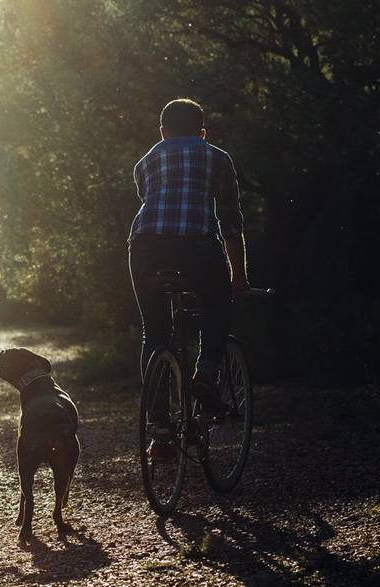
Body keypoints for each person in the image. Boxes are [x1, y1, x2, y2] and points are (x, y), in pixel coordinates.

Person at [128, 98, 251, 463]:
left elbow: (150, 203)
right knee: (217, 304)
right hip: (196, 247)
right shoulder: (218, 157)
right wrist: (239, 278)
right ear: (202, 132)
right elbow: (230, 222)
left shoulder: (146, 161)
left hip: (144, 247)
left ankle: (160, 432)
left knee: (155, 331)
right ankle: (206, 374)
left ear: (162, 132)